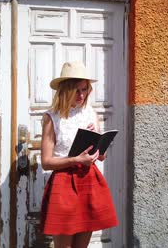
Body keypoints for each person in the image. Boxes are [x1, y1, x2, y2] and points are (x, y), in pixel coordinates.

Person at [40, 61, 118, 248]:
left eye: (84, 90)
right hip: (64, 183)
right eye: (76, 90)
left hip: (88, 180)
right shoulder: (52, 118)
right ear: (65, 90)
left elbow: (100, 157)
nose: (81, 95)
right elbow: (46, 162)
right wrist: (75, 159)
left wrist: (99, 148)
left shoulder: (91, 113)